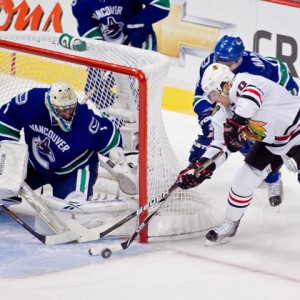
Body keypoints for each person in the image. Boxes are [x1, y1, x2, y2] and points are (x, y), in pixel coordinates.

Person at [177, 63, 300, 245]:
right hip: (272, 143)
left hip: (297, 134)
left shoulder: (243, 82)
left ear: (225, 85)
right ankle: (230, 223)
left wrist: (236, 124)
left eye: (213, 94)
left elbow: (251, 98)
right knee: (243, 178)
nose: (213, 100)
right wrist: (201, 168)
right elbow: (219, 146)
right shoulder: (223, 112)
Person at [190, 35, 299, 207]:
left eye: (229, 65)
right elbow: (200, 94)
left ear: (240, 59)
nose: (224, 68)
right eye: (220, 61)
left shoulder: (257, 70)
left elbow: (277, 102)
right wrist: (206, 119)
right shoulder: (212, 64)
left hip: (276, 95)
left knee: (258, 141)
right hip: (238, 103)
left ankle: (273, 179)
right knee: (222, 141)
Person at [0, 82, 125, 202]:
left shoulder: (85, 120)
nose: (68, 114)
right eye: (63, 110)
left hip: (72, 171)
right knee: (2, 182)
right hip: (35, 165)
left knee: (71, 213)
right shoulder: (32, 101)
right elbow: (8, 116)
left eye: (71, 109)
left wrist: (118, 156)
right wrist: (8, 153)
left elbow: (111, 136)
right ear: (51, 105)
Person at [71, 0, 170, 51]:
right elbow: (89, 29)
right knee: (95, 87)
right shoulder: (81, 3)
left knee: (141, 86)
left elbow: (162, 4)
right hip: (108, 50)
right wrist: (100, 54)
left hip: (139, 43)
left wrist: (139, 21)